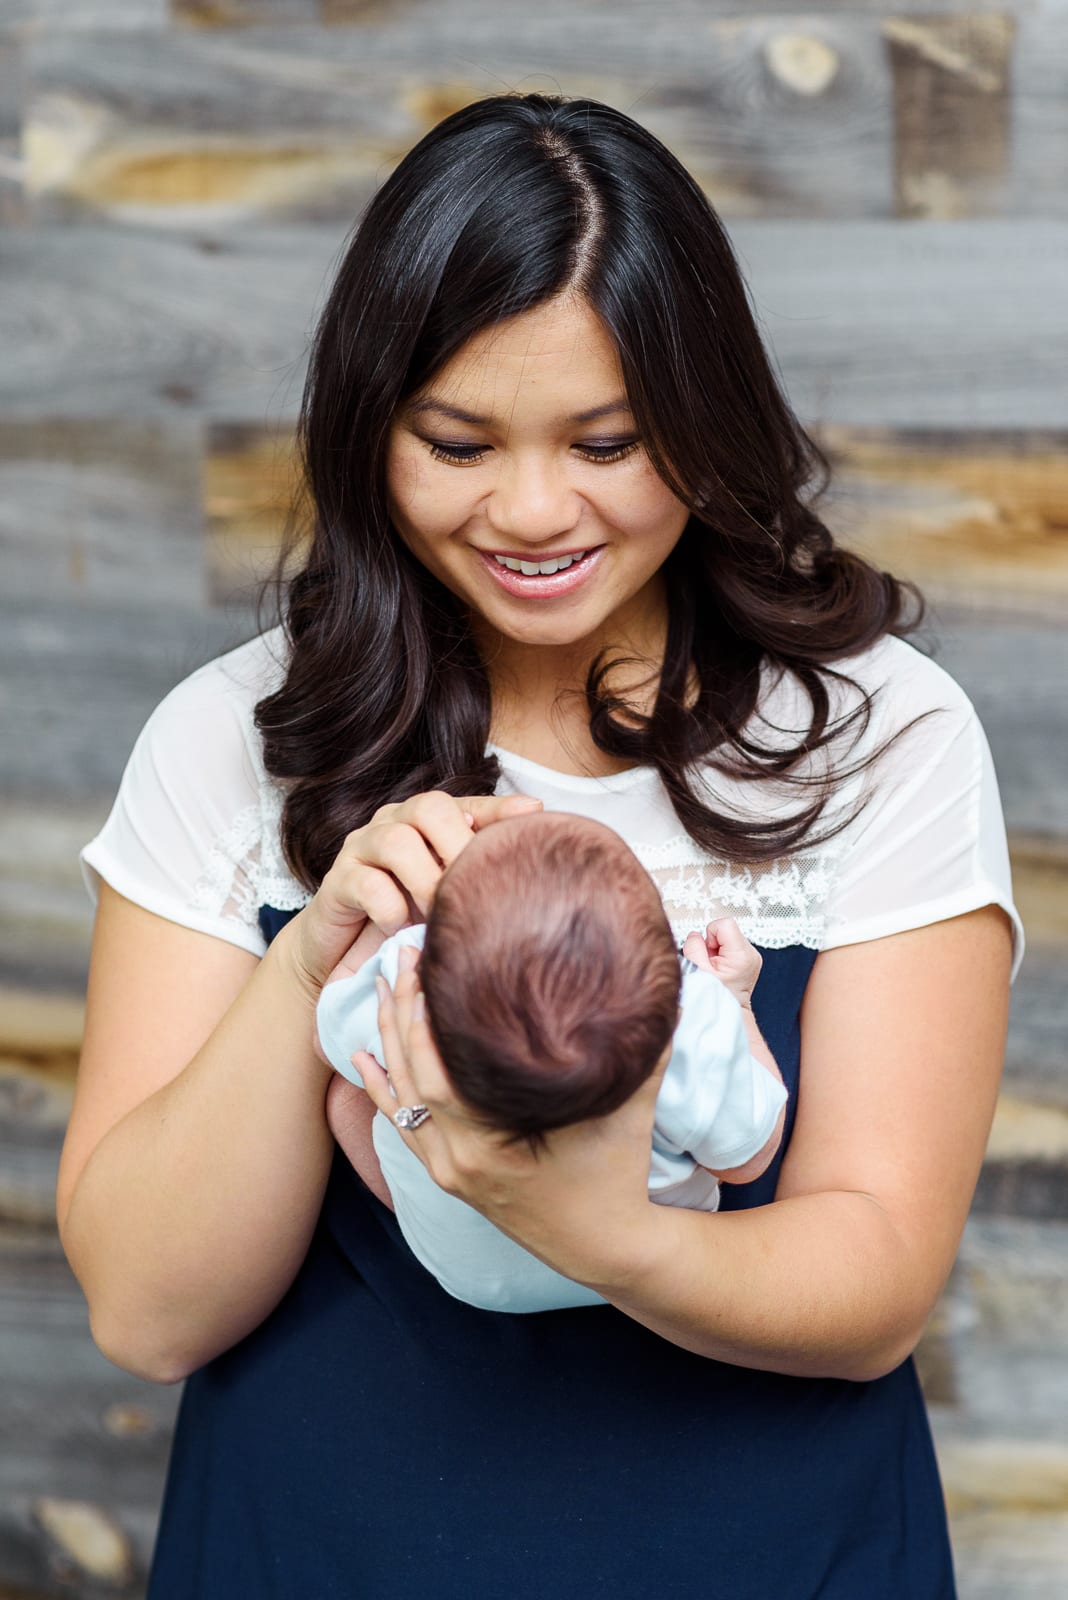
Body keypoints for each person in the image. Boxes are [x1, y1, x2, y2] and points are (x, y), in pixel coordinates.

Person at [60, 93, 1022, 1598]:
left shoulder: (880, 735)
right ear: (371, 428)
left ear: (703, 424)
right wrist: (309, 955)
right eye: (457, 441)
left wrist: (603, 1236)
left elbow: (875, 1286)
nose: (530, 509)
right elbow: (146, 1309)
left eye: (607, 441)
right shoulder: (232, 736)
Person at [314, 810, 788, 1311]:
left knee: (349, 1091)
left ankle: (427, 1211)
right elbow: (747, 1164)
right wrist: (734, 1002)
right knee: (725, 1126)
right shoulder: (692, 1019)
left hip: (468, 1275)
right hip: (646, 1269)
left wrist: (391, 920)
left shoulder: (412, 976)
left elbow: (330, 1038)